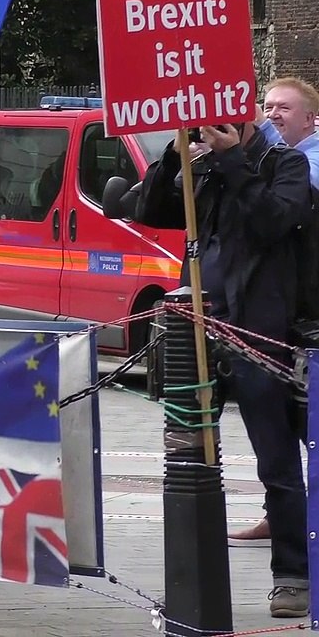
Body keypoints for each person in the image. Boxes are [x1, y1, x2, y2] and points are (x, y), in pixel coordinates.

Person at [132, 121, 310, 618]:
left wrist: (233, 160)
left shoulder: (284, 164)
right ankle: (194, 580)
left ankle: (292, 574)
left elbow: (274, 221)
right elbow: (152, 210)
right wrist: (174, 156)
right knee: (190, 458)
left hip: (260, 333)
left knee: (277, 462)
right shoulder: (202, 167)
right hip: (201, 332)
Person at [228, 77, 319, 548]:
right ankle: (282, 517)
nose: (273, 114)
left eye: (284, 107)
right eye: (268, 106)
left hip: (304, 319)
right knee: (281, 434)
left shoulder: (305, 159)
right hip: (275, 314)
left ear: (311, 119)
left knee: (305, 428)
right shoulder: (272, 158)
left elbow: (286, 207)